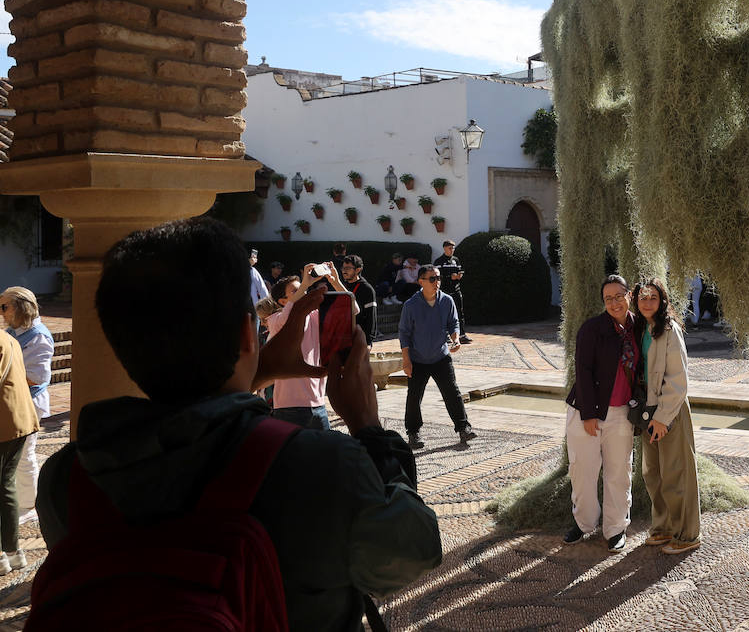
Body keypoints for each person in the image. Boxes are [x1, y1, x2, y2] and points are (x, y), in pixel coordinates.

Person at [35, 217, 442, 630]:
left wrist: (256, 376)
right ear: (248, 335)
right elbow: (414, 553)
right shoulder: (322, 465)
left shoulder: (67, 478)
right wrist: (369, 428)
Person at [564, 275, 639, 553]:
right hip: (587, 411)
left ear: (629, 295)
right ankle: (584, 523)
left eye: (619, 296)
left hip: (621, 413)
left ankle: (616, 528)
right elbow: (582, 371)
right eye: (608, 298)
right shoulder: (592, 329)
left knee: (619, 472)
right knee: (582, 471)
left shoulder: (639, 328)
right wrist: (588, 413)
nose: (614, 302)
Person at [634, 278, 701, 555]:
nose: (648, 302)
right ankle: (662, 528)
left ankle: (686, 534)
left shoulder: (670, 330)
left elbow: (678, 378)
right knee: (653, 474)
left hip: (670, 411)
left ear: (662, 301)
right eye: (642, 297)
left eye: (653, 298)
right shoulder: (640, 328)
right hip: (647, 411)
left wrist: (662, 418)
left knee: (677, 474)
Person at [399, 264, 477, 451]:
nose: (437, 282)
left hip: (441, 357)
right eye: (432, 279)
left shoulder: (447, 300)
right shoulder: (411, 305)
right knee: (414, 396)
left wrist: (455, 339)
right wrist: (406, 360)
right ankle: (413, 433)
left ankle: (463, 428)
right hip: (418, 360)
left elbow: (453, 323)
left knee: (452, 393)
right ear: (421, 281)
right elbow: (404, 334)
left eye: (439, 278)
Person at [265, 266, 351, 432]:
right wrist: (306, 283)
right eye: (297, 290)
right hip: (288, 407)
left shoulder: (315, 317)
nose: (305, 291)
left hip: (318, 404)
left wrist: (336, 282)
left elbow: (351, 310)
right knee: (293, 458)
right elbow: (289, 317)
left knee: (323, 457)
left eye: (304, 288)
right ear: (283, 302)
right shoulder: (276, 321)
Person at [0, 287, 48, 528]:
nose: (1, 312)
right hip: (12, 403)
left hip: (30, 403)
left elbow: (38, 376)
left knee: (25, 455)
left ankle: (30, 505)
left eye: (4, 306)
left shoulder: (38, 336)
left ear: (20, 307)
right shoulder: (13, 332)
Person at [0, 326, 37, 574]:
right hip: (18, 420)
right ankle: (13, 553)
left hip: (4, 424)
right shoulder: (7, 337)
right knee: (6, 484)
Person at [432, 240, 472, 344]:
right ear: (444, 248)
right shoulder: (438, 261)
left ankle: (462, 335)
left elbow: (460, 271)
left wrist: (459, 276)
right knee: (444, 313)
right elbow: (436, 277)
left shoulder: (456, 260)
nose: (452, 250)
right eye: (450, 248)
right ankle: (445, 335)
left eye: (453, 248)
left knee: (459, 312)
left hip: (456, 290)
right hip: (444, 292)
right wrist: (450, 277)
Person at [339, 255, 378, 345]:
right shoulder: (342, 286)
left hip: (359, 338)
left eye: (348, 268)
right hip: (343, 336)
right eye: (343, 268)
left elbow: (371, 317)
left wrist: (368, 342)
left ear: (358, 269)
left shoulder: (367, 289)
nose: (344, 271)